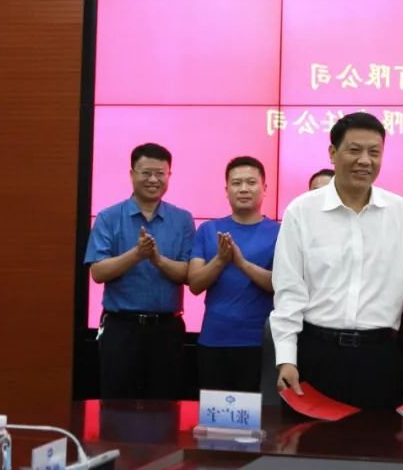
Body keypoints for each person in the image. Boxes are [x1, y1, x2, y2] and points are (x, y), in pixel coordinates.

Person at [271, 112, 403, 409]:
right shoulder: (302, 212)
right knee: (308, 438)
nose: (365, 160)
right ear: (333, 153)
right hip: (316, 352)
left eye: (374, 152)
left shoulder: (400, 213)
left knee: (377, 437)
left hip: (379, 357)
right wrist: (286, 359)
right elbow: (289, 291)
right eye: (355, 150)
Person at [85, 143, 195, 399]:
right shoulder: (108, 217)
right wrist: (136, 254)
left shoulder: (183, 219)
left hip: (167, 329)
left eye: (160, 173)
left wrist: (156, 259)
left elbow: (188, 274)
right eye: (146, 173)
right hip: (120, 327)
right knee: (116, 405)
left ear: (169, 175)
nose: (153, 180)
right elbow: (98, 272)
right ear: (132, 174)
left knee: (165, 406)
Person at [187, 156, 280, 392]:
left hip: (259, 342)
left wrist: (241, 263)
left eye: (251, 182)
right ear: (226, 190)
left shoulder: (280, 232)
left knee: (256, 413)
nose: (244, 189)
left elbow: (279, 285)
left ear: (264, 188)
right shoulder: (208, 230)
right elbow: (195, 284)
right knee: (215, 412)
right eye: (236, 183)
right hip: (213, 340)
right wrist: (220, 260)